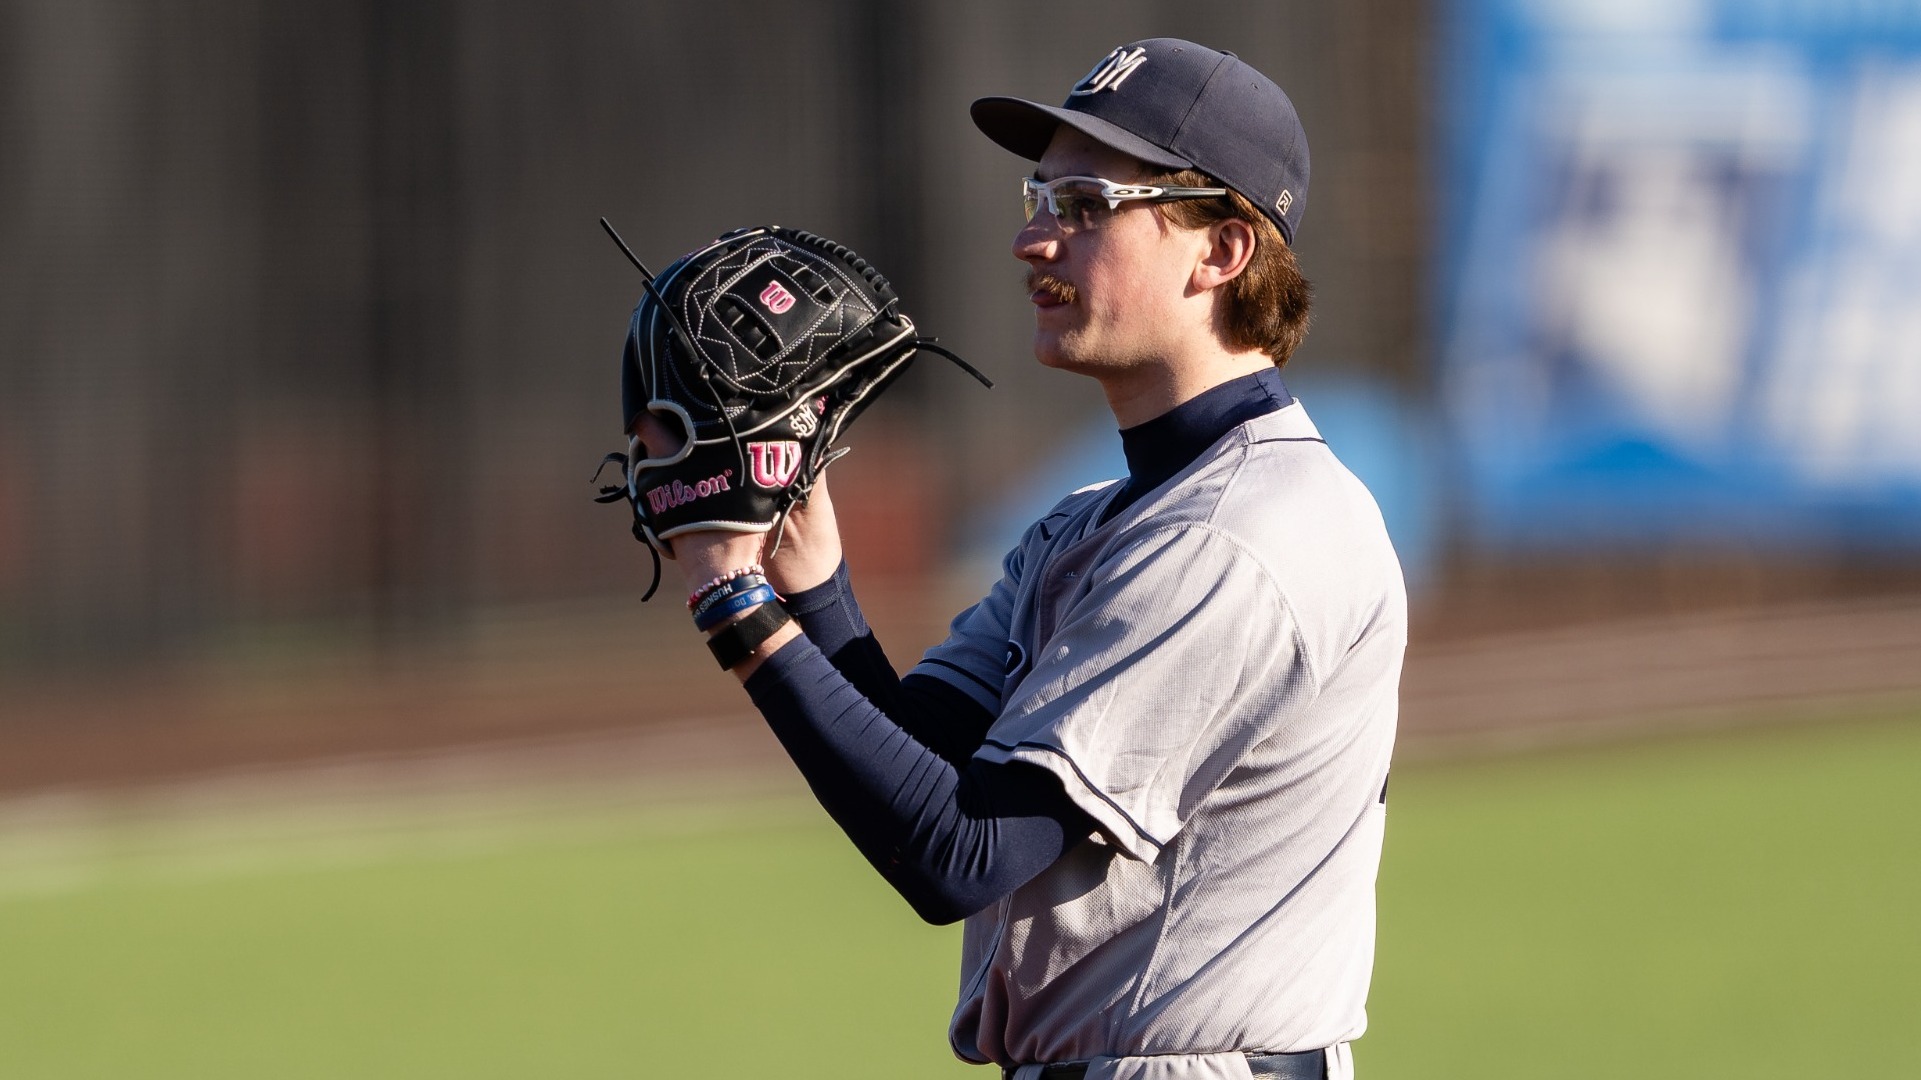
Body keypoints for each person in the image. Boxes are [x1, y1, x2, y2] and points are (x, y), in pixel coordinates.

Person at [631, 37, 1404, 1080]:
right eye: (1038, 198)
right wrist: (807, 582)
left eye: (1086, 204)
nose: (1034, 240)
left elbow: (965, 858)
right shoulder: (1093, 522)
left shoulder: (1240, 534)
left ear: (1219, 251)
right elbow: (929, 771)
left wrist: (729, 596)